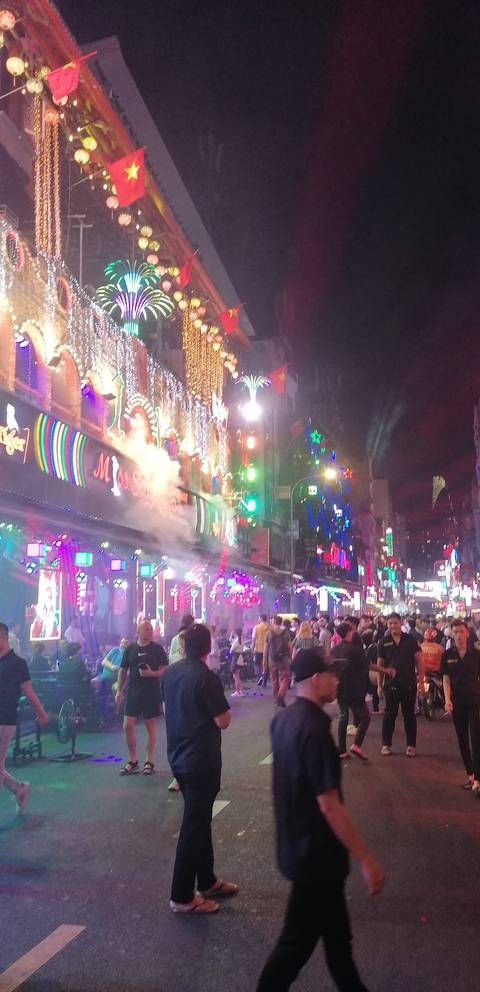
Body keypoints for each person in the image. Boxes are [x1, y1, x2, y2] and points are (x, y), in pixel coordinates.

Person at [256, 648, 384, 991]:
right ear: (316, 680)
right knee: (294, 947)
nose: (336, 679)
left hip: (302, 849)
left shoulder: (284, 720)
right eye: (331, 673)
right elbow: (329, 805)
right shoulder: (314, 731)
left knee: (338, 946)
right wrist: (367, 858)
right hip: (315, 857)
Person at [163, 623, 238, 913]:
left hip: (178, 755)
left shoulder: (171, 673)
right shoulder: (206, 678)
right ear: (209, 648)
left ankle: (206, 880)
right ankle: (181, 896)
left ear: (183, 646)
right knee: (193, 827)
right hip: (200, 760)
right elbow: (224, 720)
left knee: (201, 820)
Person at [0, 622, 49, 812]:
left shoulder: (17, 663)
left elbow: (29, 691)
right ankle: (19, 788)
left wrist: (41, 713)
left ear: (4, 637)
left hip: (5, 719)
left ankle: (20, 788)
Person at [116, 620, 168, 776]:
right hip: (133, 691)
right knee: (127, 726)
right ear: (138, 632)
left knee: (150, 726)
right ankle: (133, 761)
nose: (150, 632)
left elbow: (164, 670)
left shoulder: (157, 649)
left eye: (151, 629)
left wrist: (152, 673)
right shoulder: (130, 649)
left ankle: (149, 761)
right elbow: (123, 671)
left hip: (151, 692)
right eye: (146, 629)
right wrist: (119, 690)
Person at [373, 612, 424, 757]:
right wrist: (379, 685)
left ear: (401, 623)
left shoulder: (411, 640)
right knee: (390, 715)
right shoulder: (383, 642)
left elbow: (420, 661)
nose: (392, 626)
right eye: (390, 623)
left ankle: (411, 746)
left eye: (395, 623)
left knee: (409, 715)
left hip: (409, 683)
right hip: (391, 684)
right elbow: (380, 665)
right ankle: (386, 744)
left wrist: (421, 681)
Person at [440, 619, 480, 794]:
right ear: (451, 634)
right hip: (457, 702)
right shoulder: (447, 655)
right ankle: (470, 775)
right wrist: (447, 700)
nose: (458, 635)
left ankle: (478, 779)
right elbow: (446, 679)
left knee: (476, 739)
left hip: (475, 701)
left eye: (461, 632)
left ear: (467, 633)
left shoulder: (477, 654)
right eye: (455, 632)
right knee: (462, 740)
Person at [331, 623, 371, 761]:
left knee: (343, 716)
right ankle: (357, 745)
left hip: (340, 687)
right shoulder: (356, 650)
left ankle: (342, 749)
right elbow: (366, 666)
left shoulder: (334, 650)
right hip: (355, 688)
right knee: (365, 717)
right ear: (349, 632)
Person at [264, 615, 292, 708]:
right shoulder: (285, 633)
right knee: (285, 678)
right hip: (283, 659)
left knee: (274, 679)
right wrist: (290, 657)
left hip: (272, 659)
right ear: (281, 622)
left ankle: (277, 698)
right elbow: (289, 647)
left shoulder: (269, 633)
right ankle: (281, 695)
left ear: (273, 622)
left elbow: (266, 649)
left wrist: (264, 660)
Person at [252, 614, 270, 686]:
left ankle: (260, 677)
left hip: (258, 648)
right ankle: (264, 681)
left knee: (256, 664)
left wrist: (252, 649)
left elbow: (253, 639)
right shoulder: (271, 627)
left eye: (259, 618)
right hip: (268, 649)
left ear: (261, 619)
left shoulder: (256, 627)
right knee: (266, 665)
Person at [230, 627, 245, 697]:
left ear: (235, 633)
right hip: (240, 658)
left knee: (235, 676)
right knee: (238, 676)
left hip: (236, 658)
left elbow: (231, 651)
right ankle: (241, 691)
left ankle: (237, 691)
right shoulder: (242, 640)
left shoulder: (236, 641)